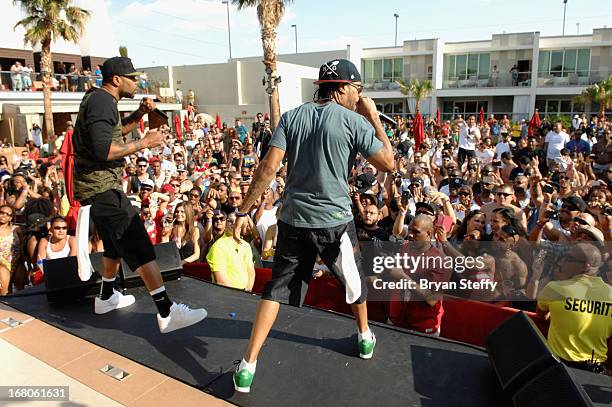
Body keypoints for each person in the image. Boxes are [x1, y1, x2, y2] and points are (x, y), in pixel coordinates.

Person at [231, 59, 394, 393]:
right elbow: (388, 162)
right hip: (334, 221)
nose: (358, 97)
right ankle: (364, 337)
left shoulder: (292, 117)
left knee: (276, 290)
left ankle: (247, 365)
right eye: (358, 91)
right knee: (354, 278)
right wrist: (372, 115)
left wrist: (244, 210)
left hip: (292, 219)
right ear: (345, 88)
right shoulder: (353, 121)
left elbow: (268, 168)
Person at [72, 56, 206, 333]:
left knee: (113, 246)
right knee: (138, 243)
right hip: (101, 188)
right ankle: (167, 313)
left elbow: (113, 134)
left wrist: (140, 115)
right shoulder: (102, 102)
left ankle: (107, 296)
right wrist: (145, 142)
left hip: (98, 188)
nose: (137, 82)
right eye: (132, 78)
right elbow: (102, 150)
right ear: (117, 80)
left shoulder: (100, 100)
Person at [536, 243, 611, 373]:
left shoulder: (555, 288)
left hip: (558, 367)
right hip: (596, 370)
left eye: (569, 258)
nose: (563, 262)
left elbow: (541, 315)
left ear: (585, 267)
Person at [206, 212, 255, 291]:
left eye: (237, 221)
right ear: (226, 223)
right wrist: (239, 295)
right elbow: (220, 281)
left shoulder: (246, 245)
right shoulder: (218, 246)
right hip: (225, 295)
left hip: (244, 294)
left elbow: (251, 272)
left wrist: (247, 291)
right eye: (230, 221)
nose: (234, 223)